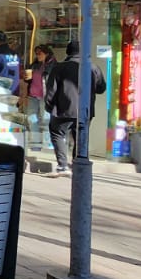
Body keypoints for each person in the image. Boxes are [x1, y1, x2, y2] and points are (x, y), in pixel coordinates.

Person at [43, 41, 107, 178]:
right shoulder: (92, 67)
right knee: (81, 137)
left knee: (57, 134)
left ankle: (62, 166)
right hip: (85, 110)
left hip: (62, 109)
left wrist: (49, 106)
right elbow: (101, 88)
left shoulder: (59, 68)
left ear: (68, 52)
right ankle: (77, 166)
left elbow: (51, 90)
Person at [23, 44, 55, 150]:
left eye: (40, 53)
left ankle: (48, 144)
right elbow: (29, 79)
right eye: (36, 53)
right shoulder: (34, 65)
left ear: (46, 53)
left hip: (45, 96)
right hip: (33, 96)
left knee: (46, 120)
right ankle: (35, 144)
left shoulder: (52, 65)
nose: (37, 55)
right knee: (32, 119)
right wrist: (26, 77)